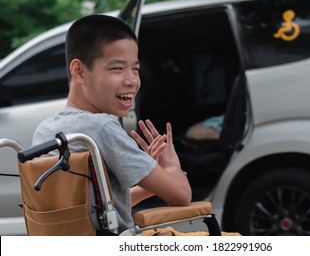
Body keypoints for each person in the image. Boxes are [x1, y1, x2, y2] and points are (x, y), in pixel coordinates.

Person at [32, 14, 191, 234]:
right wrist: (172, 167)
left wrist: (150, 178)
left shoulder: (46, 131)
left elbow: (91, 210)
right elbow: (182, 196)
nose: (131, 80)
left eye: (135, 69)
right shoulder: (102, 128)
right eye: (117, 69)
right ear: (79, 71)